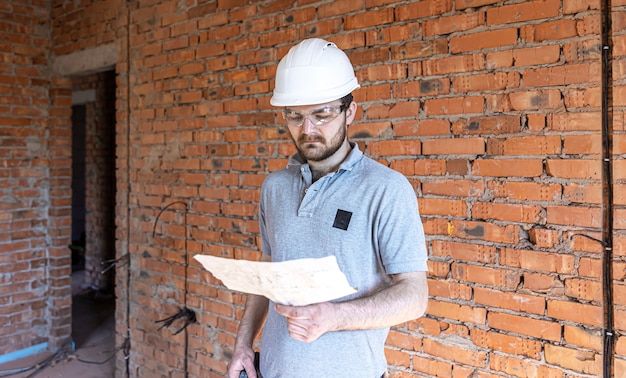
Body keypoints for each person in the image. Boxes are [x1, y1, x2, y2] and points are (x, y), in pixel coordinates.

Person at [227, 38, 429, 378]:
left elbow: (415, 295)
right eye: (295, 116)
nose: (308, 130)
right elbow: (268, 270)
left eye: (322, 114)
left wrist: (335, 317)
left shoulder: (386, 190)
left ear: (350, 110)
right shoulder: (274, 187)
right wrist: (243, 344)